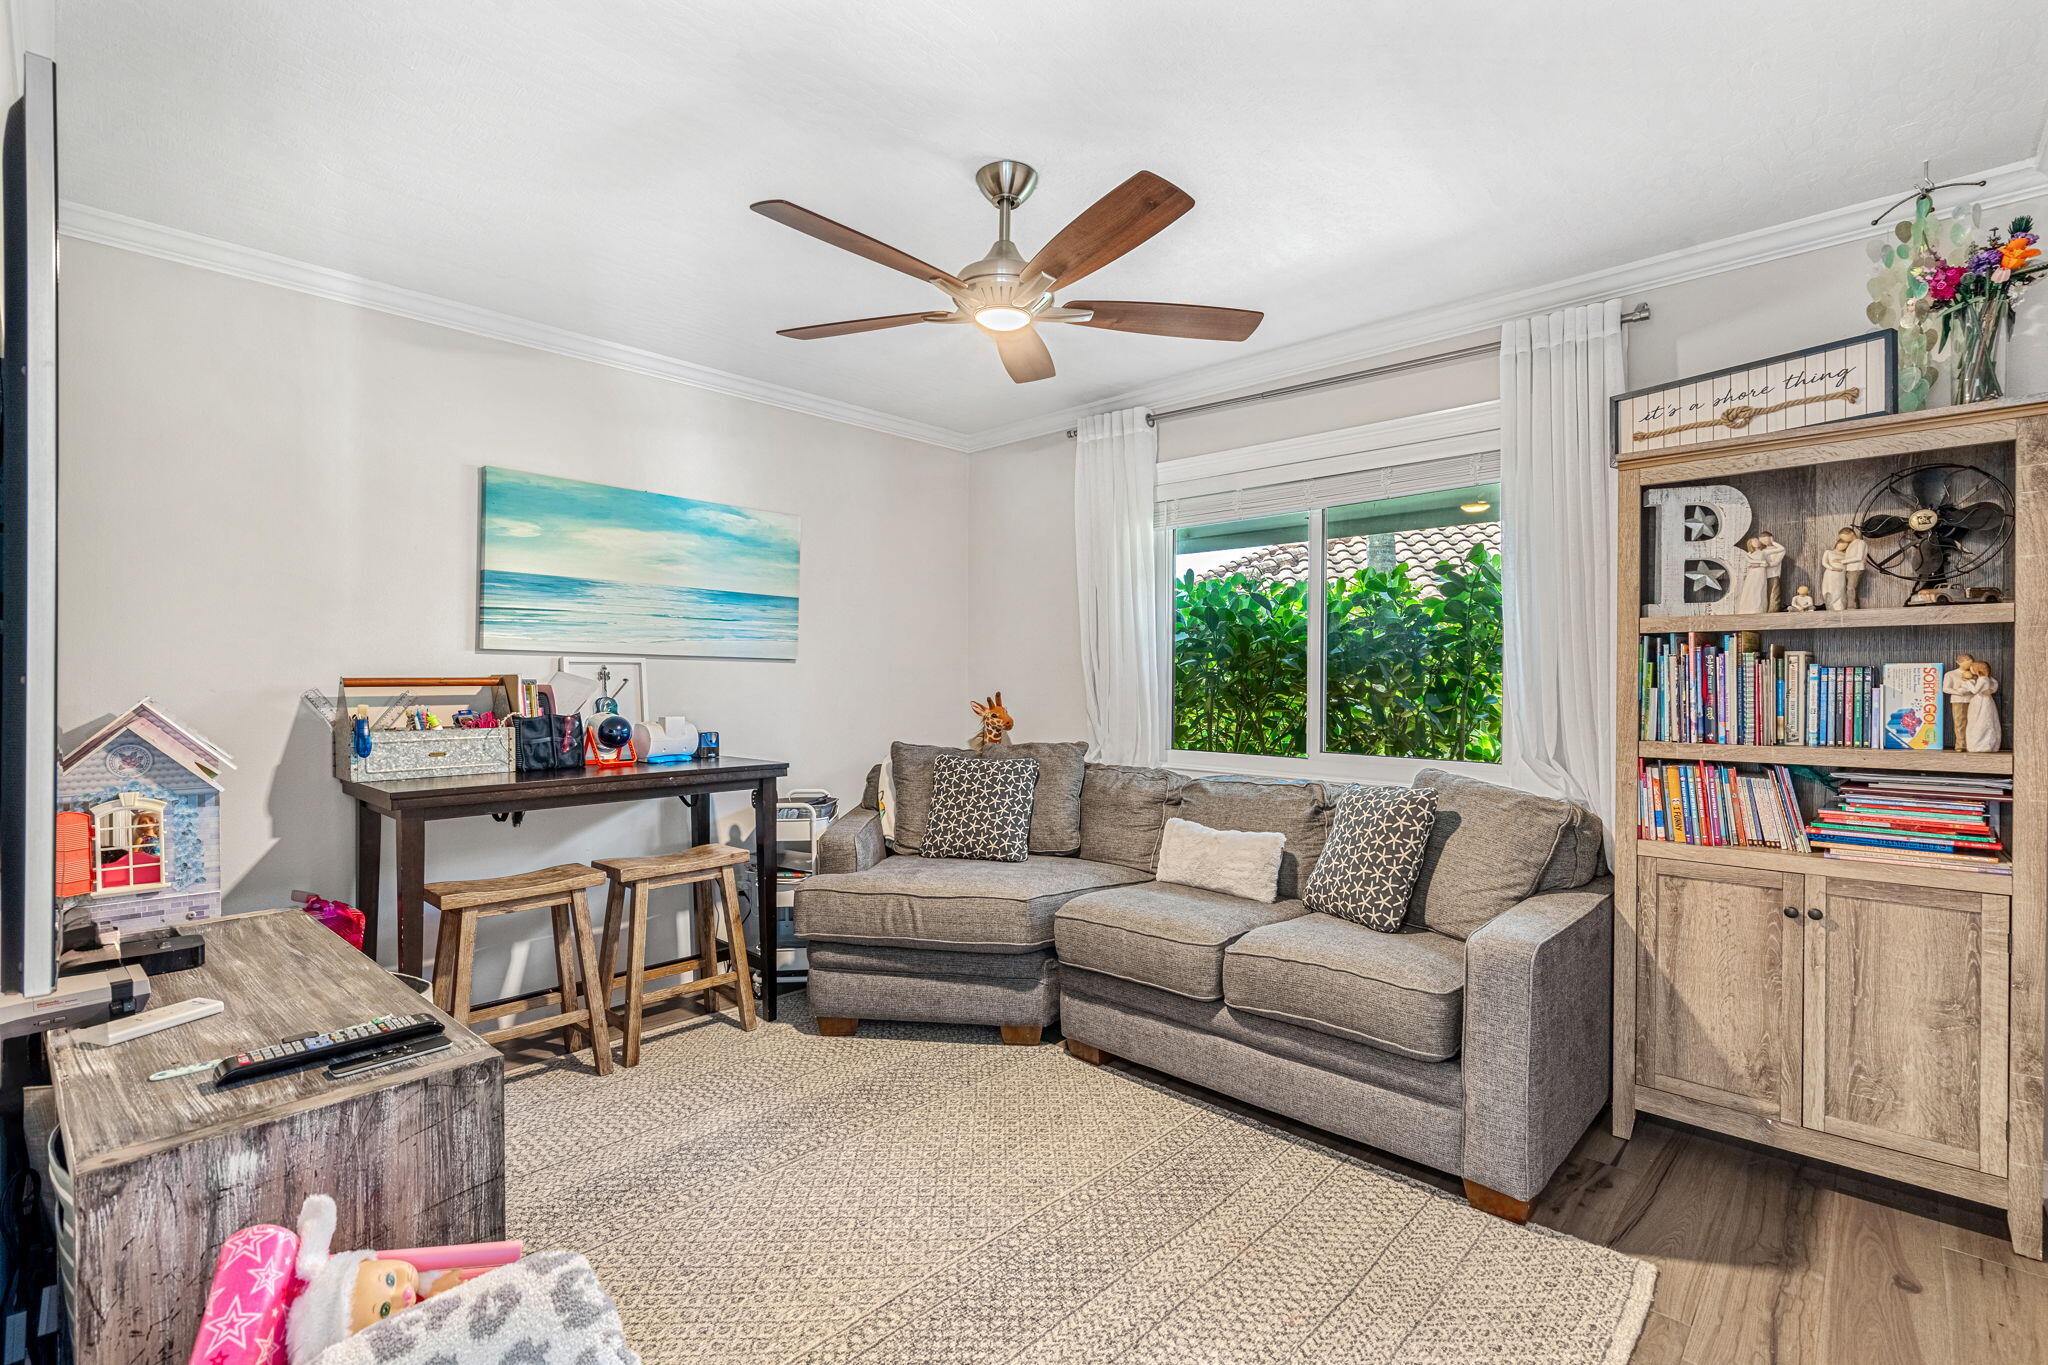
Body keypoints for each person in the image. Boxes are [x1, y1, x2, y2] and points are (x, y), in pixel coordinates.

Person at [1964, 659, 2001, 754]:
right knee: (1985, 719)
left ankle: (1979, 745)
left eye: (1972, 668)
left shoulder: (1982, 679)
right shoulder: (1987, 678)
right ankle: (1984, 743)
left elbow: (1975, 691)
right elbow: (1994, 684)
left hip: (1980, 701)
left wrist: (1968, 682)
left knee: (1980, 720)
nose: (1970, 670)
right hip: (1985, 699)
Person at [1942, 653, 1978, 752]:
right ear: (1959, 662)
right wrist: (1957, 692)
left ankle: (1971, 744)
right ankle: (1960, 745)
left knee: (1972, 722)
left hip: (1972, 700)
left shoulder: (1974, 674)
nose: (1969, 666)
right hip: (1958, 701)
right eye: (1967, 663)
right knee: (1959, 723)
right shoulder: (1951, 674)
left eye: (1971, 663)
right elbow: (1945, 689)